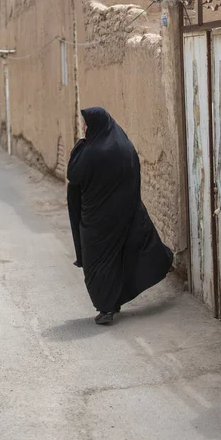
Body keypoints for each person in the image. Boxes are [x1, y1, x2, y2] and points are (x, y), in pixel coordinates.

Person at [67, 107, 174, 325]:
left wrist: (79, 146)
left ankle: (106, 307)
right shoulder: (125, 146)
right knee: (118, 258)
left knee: (96, 263)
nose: (84, 127)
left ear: (96, 125)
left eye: (86, 124)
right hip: (123, 214)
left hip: (95, 219)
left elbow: (73, 175)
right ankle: (112, 303)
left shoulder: (91, 151)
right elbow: (134, 176)